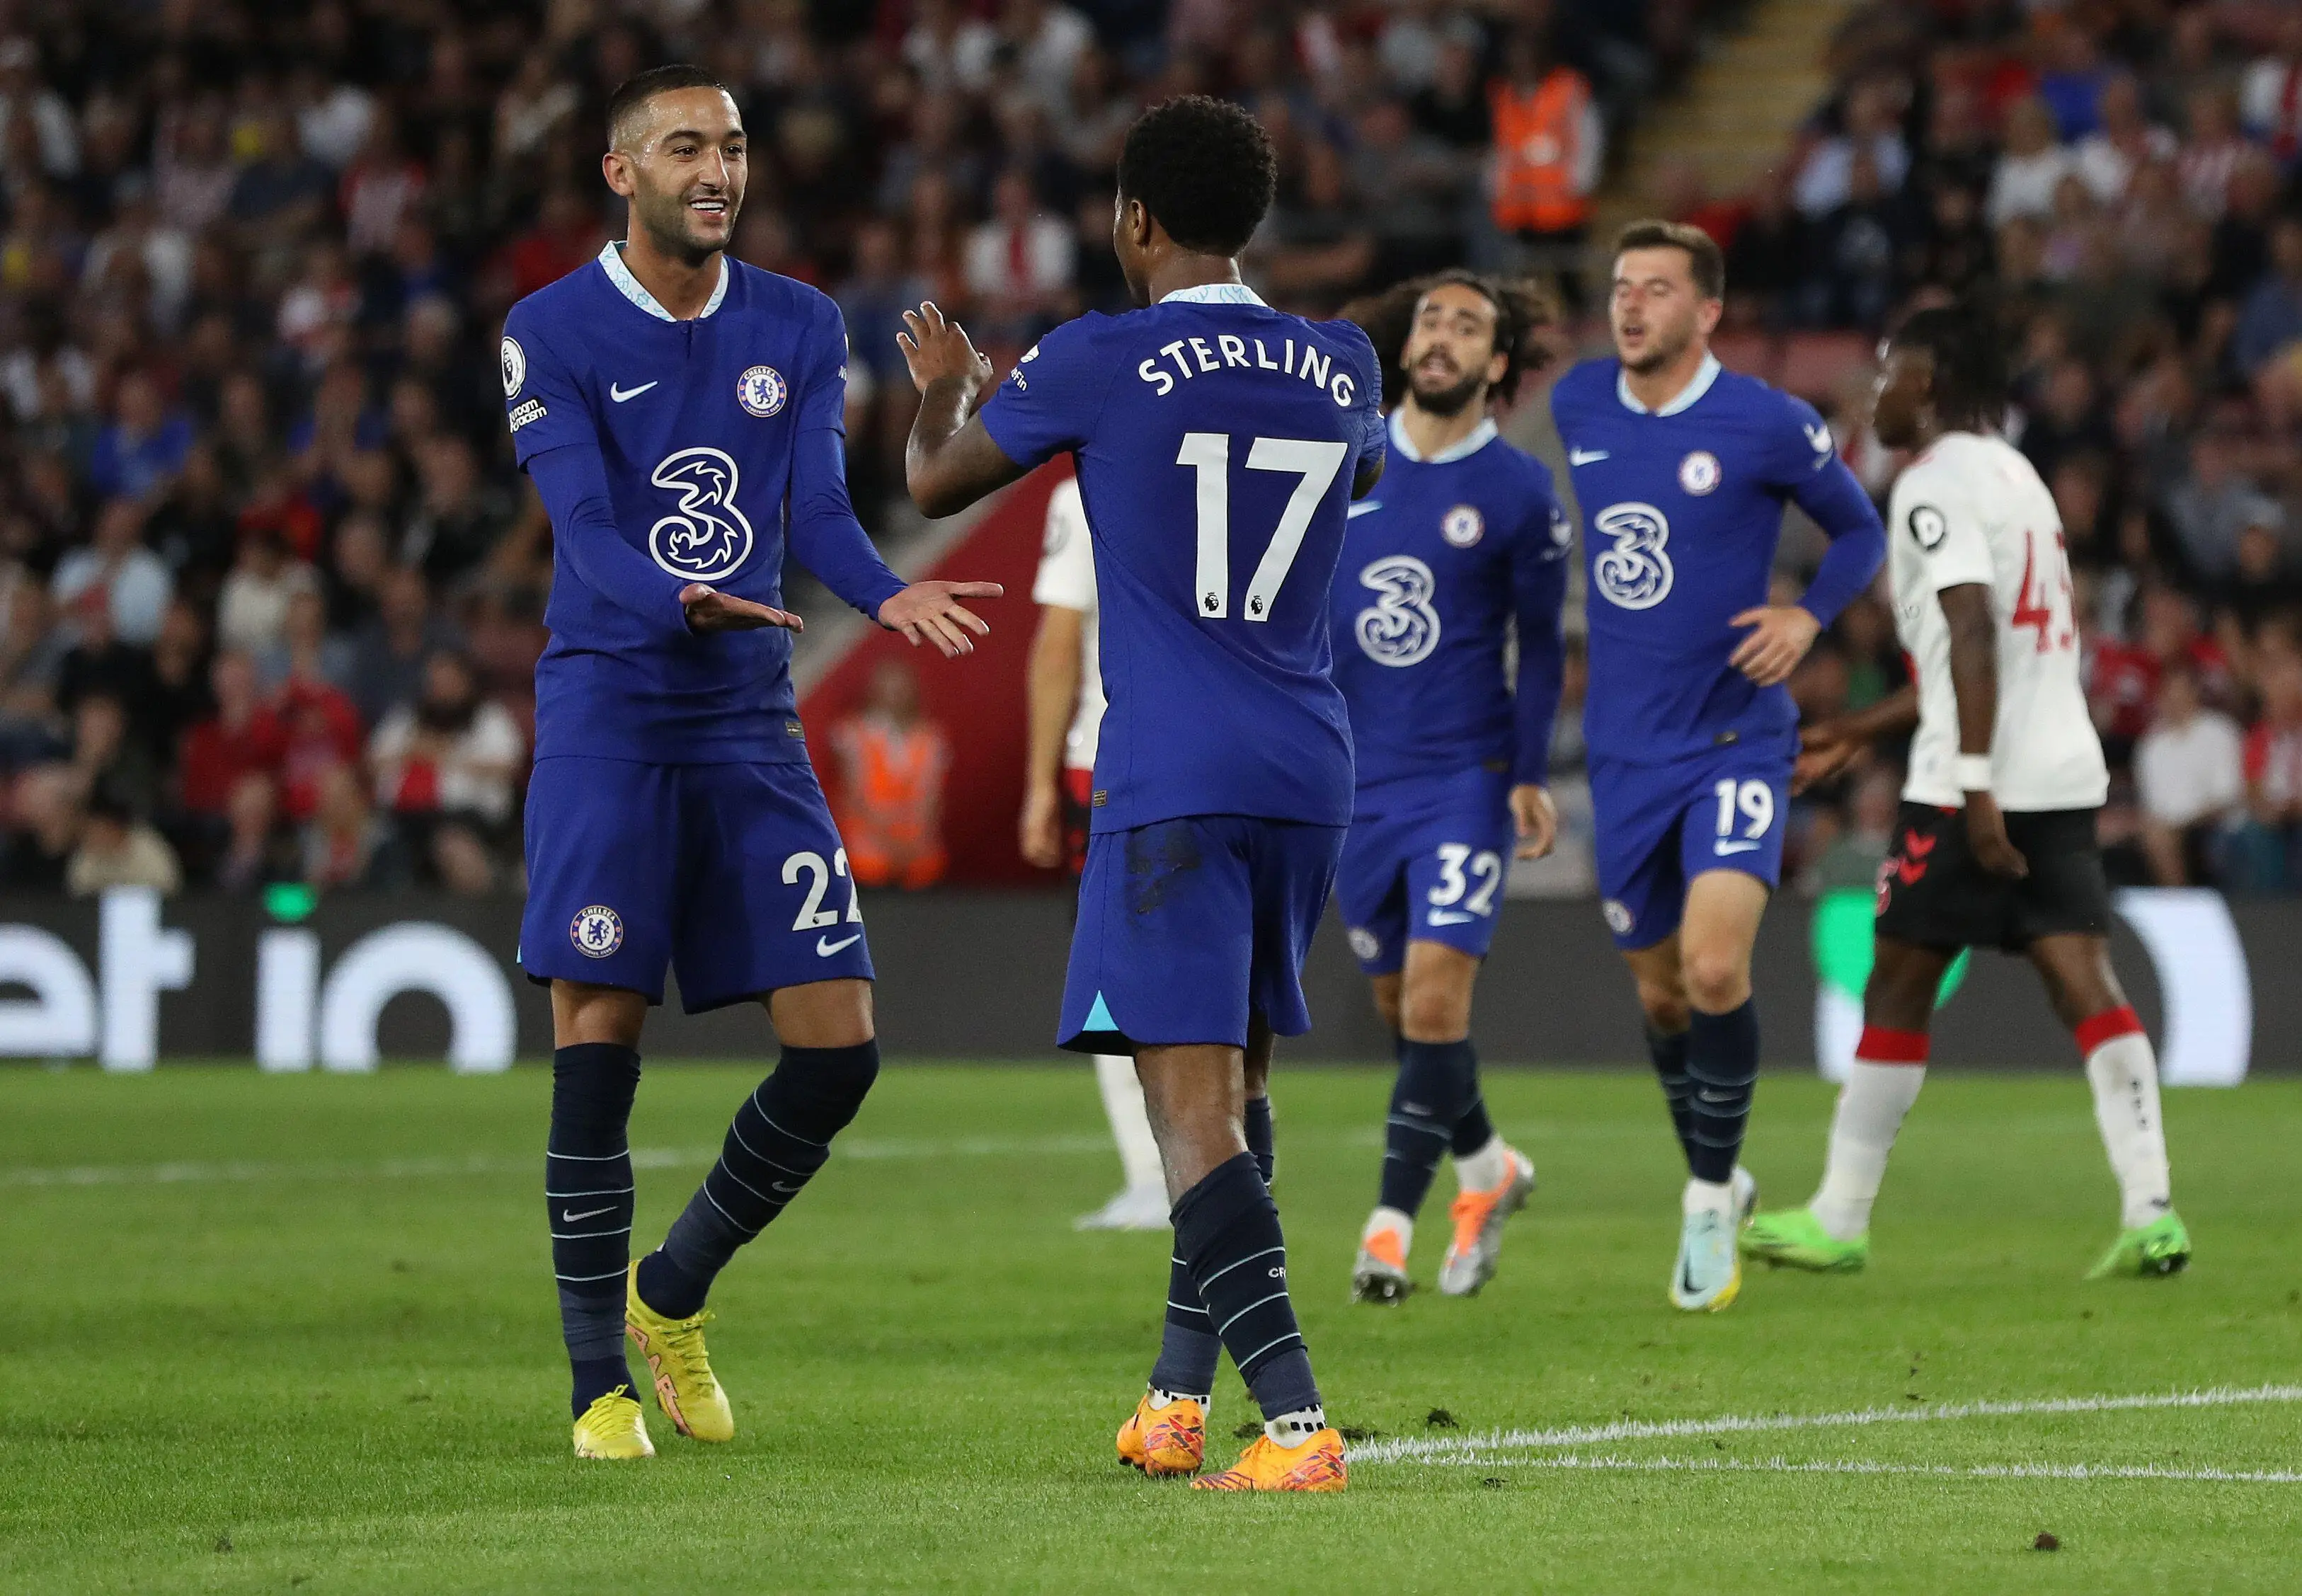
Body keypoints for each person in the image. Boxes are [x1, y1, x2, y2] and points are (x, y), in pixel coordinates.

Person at [502, 64, 1002, 1462]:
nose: (717, 169)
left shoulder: (797, 319)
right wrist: (680, 598)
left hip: (747, 724)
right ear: (622, 172)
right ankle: (597, 1384)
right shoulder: (549, 329)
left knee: (839, 1049)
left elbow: (818, 515)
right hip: (612, 719)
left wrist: (885, 591)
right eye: (684, 147)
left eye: (729, 145)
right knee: (599, 1036)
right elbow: (585, 531)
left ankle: (671, 1290)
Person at [901, 95, 1382, 1492]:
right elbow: (1355, 462)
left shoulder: (1099, 356)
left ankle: (1293, 1425)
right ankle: (1175, 1398)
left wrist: (945, 383)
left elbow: (933, 482)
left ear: (1135, 221)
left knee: (1188, 1112)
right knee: (1235, 1082)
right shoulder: (1339, 359)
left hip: (1174, 764)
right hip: (1307, 763)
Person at [1745, 303, 2188, 1280]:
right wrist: (1863, 728)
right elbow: (1986, 651)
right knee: (2083, 979)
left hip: (1971, 778)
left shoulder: (1933, 482)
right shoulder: (2019, 476)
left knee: (1898, 982)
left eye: (1892, 370)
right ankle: (2153, 1209)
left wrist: (1977, 786)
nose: (1877, 390)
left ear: (1934, 384)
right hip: (2061, 768)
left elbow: (1974, 631)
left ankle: (1840, 1215)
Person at [1549, 219, 1886, 1312]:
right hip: (1624, 750)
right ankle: (1720, 1167)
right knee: (1661, 997)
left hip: (1738, 737)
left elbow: (1860, 532)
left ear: (1707, 311)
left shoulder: (1766, 421)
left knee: (1710, 967)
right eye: (1621, 285)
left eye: (1656, 288)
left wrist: (1808, 616)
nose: (1631, 303)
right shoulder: (1580, 403)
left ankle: (1704, 1197)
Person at [1329, 270, 1569, 1304]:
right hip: (1352, 782)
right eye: (1431, 320)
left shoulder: (1517, 490)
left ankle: (1387, 1233)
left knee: (1433, 998)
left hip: (1463, 779)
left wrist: (1527, 773)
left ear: (1496, 361)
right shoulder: (1341, 457)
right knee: (1402, 1006)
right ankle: (1487, 1164)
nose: (1441, 338)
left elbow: (1541, 647)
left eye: (1467, 327)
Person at [1021, 472, 1168, 1232]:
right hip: (1224, 753)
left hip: (1112, 759)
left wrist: (1038, 785)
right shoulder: (1233, 466)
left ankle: (1153, 1176)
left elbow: (1058, 646)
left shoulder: (1087, 491)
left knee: (1111, 977)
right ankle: (1229, 1159)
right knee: (1216, 965)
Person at [828, 657, 950, 889]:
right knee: (868, 861)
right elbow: (853, 794)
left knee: (925, 863)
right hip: (866, 836)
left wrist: (911, 842)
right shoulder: (851, 734)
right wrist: (886, 838)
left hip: (914, 837)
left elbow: (931, 799)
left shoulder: (931, 738)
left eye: (901, 690)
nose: (894, 697)